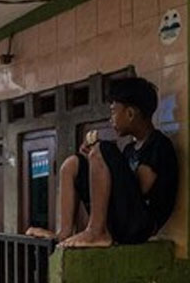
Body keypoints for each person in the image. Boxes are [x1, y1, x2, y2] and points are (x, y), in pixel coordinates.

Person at [26, 77, 178, 248]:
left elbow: (140, 189)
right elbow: (119, 186)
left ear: (130, 114)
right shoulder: (129, 148)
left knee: (103, 149)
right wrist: (94, 161)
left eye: (114, 112)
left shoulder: (158, 144)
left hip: (140, 227)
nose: (110, 119)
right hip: (120, 220)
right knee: (73, 164)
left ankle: (96, 231)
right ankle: (64, 232)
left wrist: (101, 158)